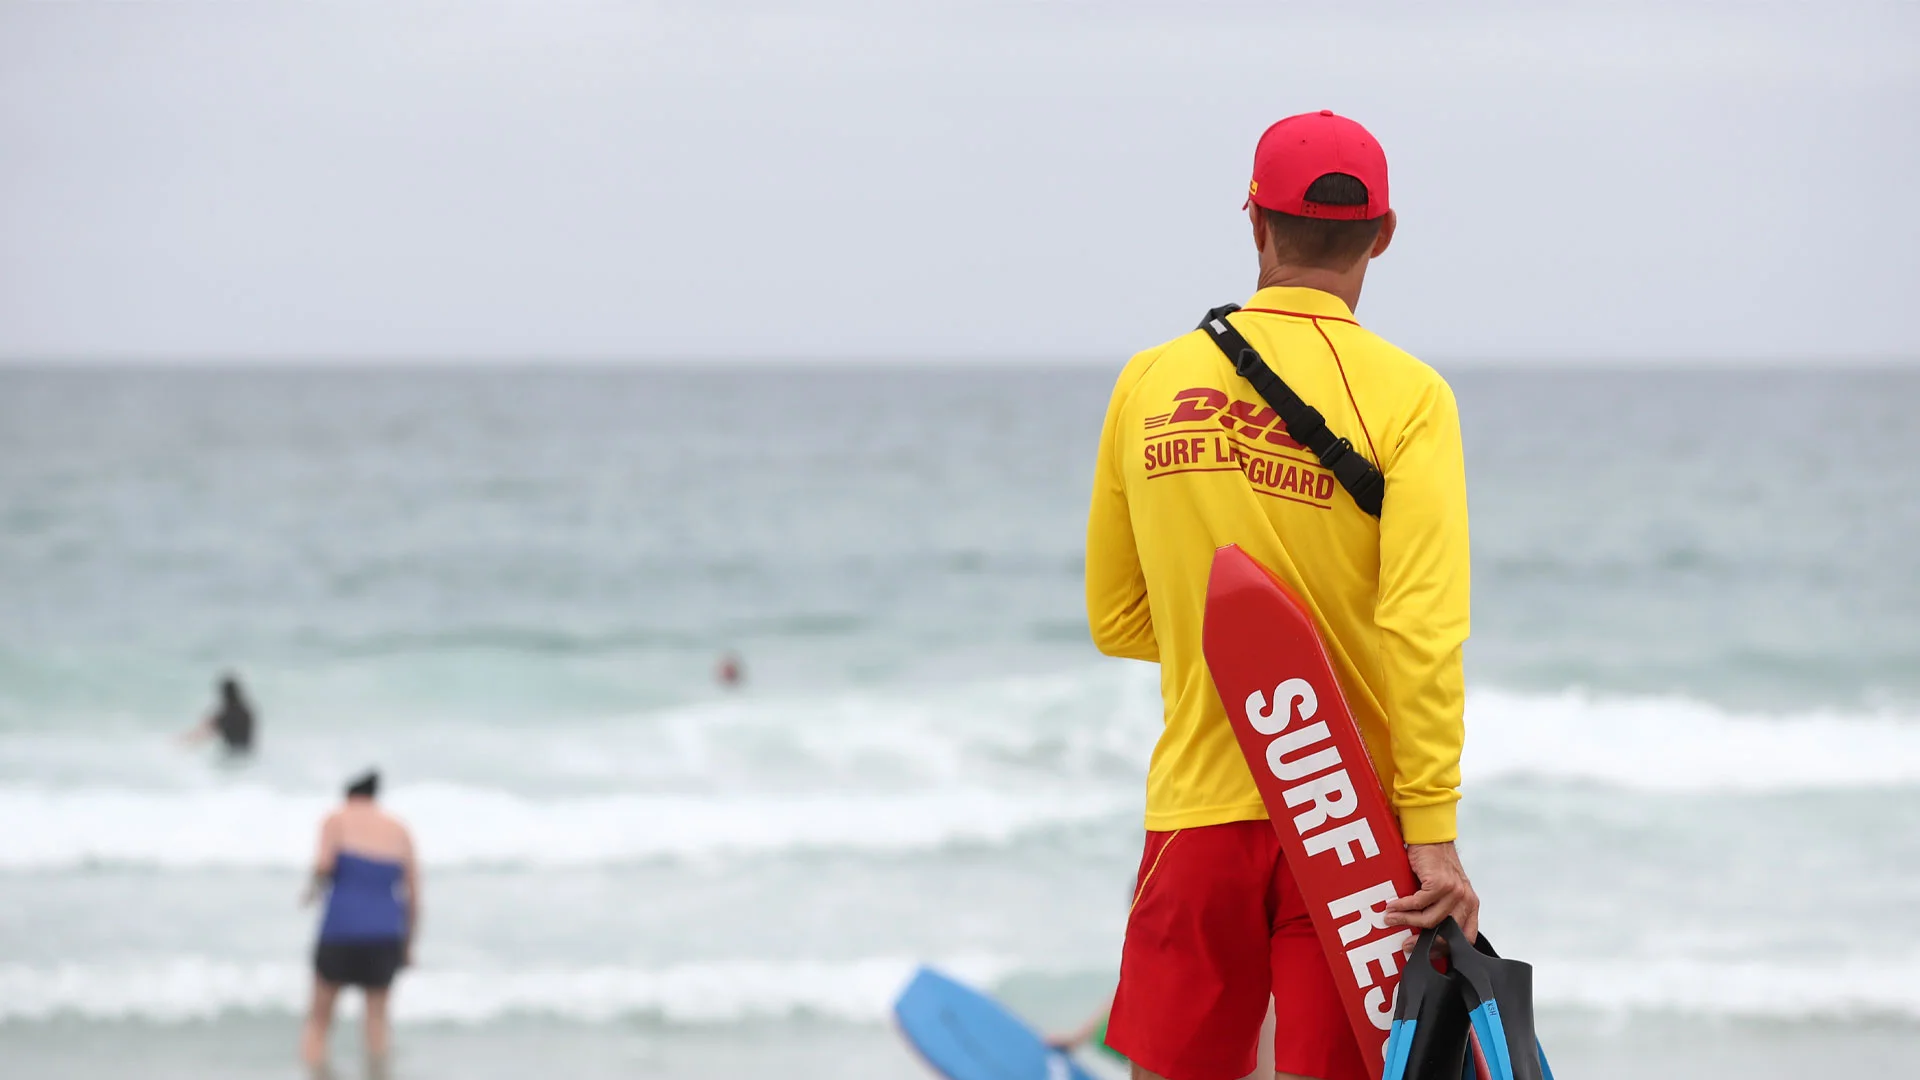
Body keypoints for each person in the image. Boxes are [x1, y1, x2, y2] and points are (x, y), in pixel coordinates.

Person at [1084, 110, 1479, 1080]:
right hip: (1344, 822)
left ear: (1255, 222)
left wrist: (1233, 664)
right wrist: (1431, 835)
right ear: (1383, 235)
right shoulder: (1410, 397)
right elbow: (1423, 625)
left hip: (1197, 815)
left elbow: (1118, 618)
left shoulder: (1149, 381)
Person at [300, 769, 419, 1068]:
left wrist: (310, 891)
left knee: (319, 1022)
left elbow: (324, 866)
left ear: (350, 796)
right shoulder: (398, 828)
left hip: (340, 930)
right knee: (377, 1021)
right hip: (384, 933)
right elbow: (414, 896)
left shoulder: (337, 819)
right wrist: (407, 946)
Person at [178, 673, 256, 755]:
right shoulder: (246, 712)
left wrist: (184, 742)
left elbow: (205, 732)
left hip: (231, 755)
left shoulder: (225, 715)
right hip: (247, 754)